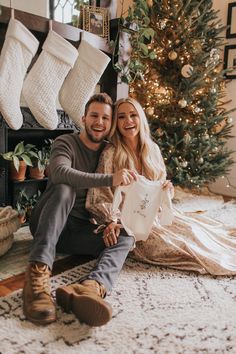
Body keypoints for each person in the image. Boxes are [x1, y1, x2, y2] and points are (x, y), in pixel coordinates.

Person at [86, 97, 236, 277]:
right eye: (121, 117)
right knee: (178, 245)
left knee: (193, 231)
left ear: (141, 118)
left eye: (133, 115)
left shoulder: (152, 149)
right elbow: (100, 195)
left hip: (155, 213)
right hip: (131, 221)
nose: (128, 121)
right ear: (116, 123)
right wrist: (112, 220)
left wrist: (167, 189)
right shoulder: (111, 153)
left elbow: (162, 184)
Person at [23, 93, 137, 327]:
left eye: (106, 118)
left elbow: (130, 183)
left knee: (126, 236)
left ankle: (90, 287)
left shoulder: (110, 151)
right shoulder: (66, 142)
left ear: (110, 123)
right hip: (48, 221)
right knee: (66, 188)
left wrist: (112, 221)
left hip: (77, 231)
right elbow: (59, 173)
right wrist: (109, 179)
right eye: (94, 115)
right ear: (84, 118)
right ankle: (38, 276)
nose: (99, 122)